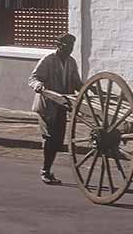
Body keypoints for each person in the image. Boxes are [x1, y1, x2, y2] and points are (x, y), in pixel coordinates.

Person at [28, 33, 83, 185]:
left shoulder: (71, 62)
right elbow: (33, 78)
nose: (70, 50)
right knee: (50, 138)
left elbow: (77, 82)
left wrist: (88, 89)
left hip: (62, 105)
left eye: (72, 47)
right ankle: (45, 171)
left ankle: (48, 169)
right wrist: (38, 85)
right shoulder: (48, 60)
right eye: (67, 47)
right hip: (47, 106)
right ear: (58, 46)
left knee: (58, 140)